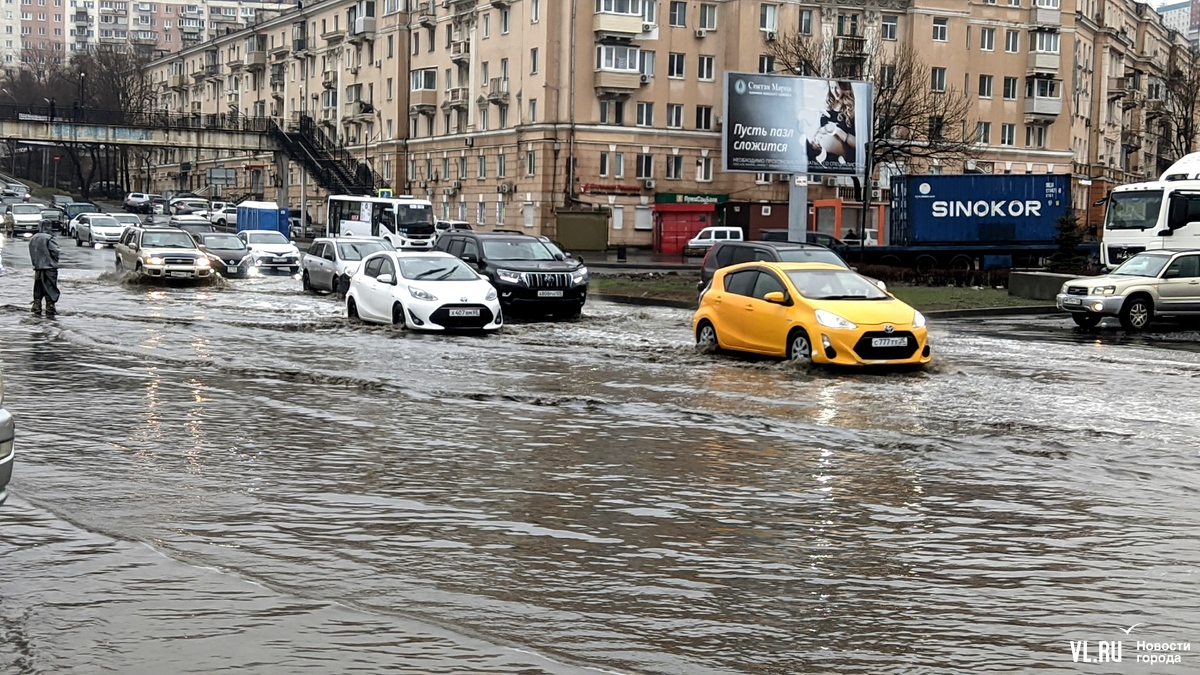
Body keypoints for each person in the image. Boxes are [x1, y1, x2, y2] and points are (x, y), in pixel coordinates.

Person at [29, 221, 61, 316]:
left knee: (38, 286)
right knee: (50, 286)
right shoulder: (49, 238)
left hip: (38, 267)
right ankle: (50, 307)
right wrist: (54, 261)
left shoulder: (33, 238)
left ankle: (37, 306)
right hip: (49, 267)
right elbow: (55, 251)